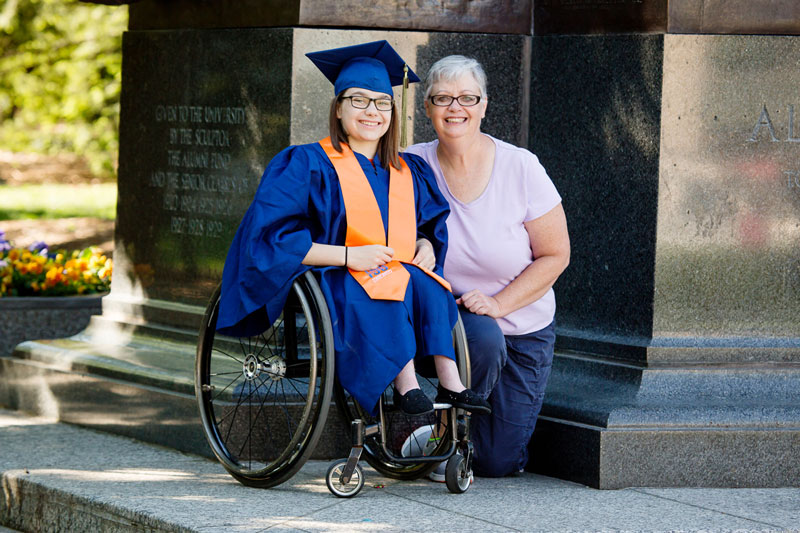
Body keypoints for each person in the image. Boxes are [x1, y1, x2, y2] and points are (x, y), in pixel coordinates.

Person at [215, 41, 490, 418]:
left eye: (381, 102)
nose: (371, 111)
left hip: (393, 270)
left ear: (392, 112)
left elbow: (426, 226)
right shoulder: (306, 164)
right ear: (339, 108)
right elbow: (272, 238)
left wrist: (425, 244)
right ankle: (406, 384)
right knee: (385, 287)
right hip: (334, 276)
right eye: (358, 100)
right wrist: (349, 255)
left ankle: (451, 382)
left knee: (426, 282)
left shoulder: (408, 171)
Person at [405, 55, 570, 478]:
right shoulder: (410, 166)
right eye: (442, 97)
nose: (454, 107)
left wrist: (499, 303)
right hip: (453, 324)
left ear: (484, 105)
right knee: (481, 336)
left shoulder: (521, 167)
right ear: (427, 107)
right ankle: (443, 435)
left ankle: (445, 434)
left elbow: (556, 254)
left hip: (523, 328)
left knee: (497, 461)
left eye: (467, 97)